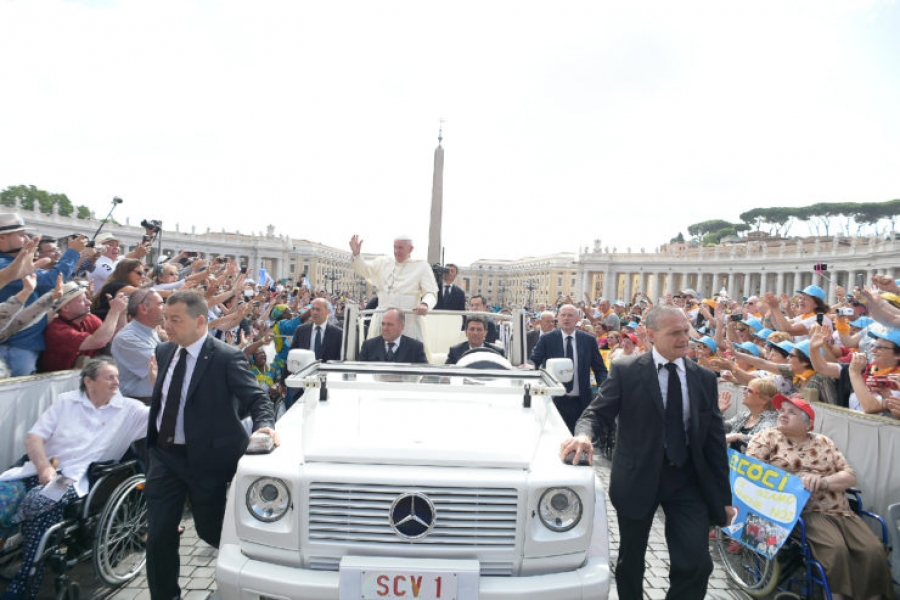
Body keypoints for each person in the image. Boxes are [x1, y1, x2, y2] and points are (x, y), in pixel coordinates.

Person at [560, 305, 734, 600]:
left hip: (687, 480)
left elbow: (714, 442)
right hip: (638, 476)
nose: (684, 339)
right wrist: (583, 436)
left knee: (696, 564)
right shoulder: (627, 371)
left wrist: (723, 499)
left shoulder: (703, 378)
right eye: (674, 333)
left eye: (686, 331)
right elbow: (597, 413)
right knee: (632, 560)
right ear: (652, 335)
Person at [144, 289, 278, 600]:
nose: (168, 325)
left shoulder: (226, 357)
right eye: (166, 319)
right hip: (165, 457)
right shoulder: (164, 351)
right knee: (159, 535)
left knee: (210, 530)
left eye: (175, 320)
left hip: (208, 460)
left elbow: (257, 398)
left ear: (200, 321)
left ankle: (258, 579)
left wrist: (265, 427)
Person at [0, 358, 150, 600]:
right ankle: (21, 544)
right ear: (89, 381)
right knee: (3, 499)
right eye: (109, 377)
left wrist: (158, 383)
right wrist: (44, 468)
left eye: (117, 377)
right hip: (39, 470)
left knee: (40, 502)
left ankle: (25, 583)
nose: (116, 382)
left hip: (70, 478)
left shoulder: (130, 410)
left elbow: (167, 416)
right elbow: (34, 438)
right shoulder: (66, 402)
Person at [746, 395, 895, 600]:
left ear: (809, 423)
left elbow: (850, 477)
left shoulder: (823, 441)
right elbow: (751, 473)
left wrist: (823, 482)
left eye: (792, 412)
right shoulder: (767, 437)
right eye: (782, 411)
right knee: (835, 550)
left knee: (873, 550)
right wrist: (796, 481)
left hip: (840, 510)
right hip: (800, 511)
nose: (783, 415)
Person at [0, 213, 86, 376]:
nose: (27, 239)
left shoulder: (15, 264)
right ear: (2, 238)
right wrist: (73, 252)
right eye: (21, 235)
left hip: (22, 344)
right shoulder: (4, 265)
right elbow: (50, 280)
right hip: (15, 346)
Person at [531, 304, 608, 433]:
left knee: (578, 440)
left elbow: (600, 369)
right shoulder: (547, 339)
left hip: (581, 402)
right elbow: (534, 360)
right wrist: (528, 366)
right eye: (563, 315)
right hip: (554, 401)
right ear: (558, 318)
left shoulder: (588, 340)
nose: (566, 319)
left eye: (570, 315)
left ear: (578, 319)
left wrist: (604, 388)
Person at [349, 234, 437, 341]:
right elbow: (364, 270)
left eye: (400, 248)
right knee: (377, 354)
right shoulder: (383, 262)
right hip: (383, 320)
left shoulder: (421, 266)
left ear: (411, 249)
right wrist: (356, 255)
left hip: (408, 321)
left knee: (408, 354)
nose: (396, 251)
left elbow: (431, 293)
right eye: (395, 247)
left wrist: (425, 304)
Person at [38, 282, 128, 372]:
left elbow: (116, 338)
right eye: (82, 301)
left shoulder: (90, 319)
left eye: (87, 299)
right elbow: (99, 341)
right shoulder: (56, 330)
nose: (89, 302)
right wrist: (114, 311)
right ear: (65, 308)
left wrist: (122, 313)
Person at [110, 289, 166, 402]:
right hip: (140, 404)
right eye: (160, 304)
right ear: (143, 309)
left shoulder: (153, 330)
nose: (165, 308)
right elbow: (166, 364)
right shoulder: (127, 338)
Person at [719, 377, 779, 452]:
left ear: (764, 400)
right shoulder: (745, 414)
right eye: (745, 389)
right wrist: (719, 412)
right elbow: (722, 429)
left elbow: (763, 442)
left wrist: (739, 436)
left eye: (749, 390)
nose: (744, 392)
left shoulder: (772, 421)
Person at [357, 307, 427, 363]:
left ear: (402, 326)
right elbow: (359, 374)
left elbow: (425, 374)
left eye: (389, 324)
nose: (385, 328)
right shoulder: (368, 346)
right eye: (383, 324)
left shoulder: (416, 348)